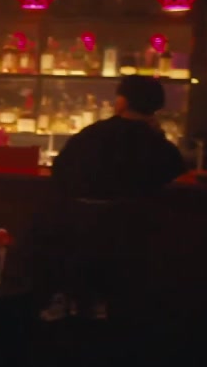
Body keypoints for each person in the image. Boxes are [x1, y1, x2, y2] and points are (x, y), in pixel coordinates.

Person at [35, 75, 186, 321]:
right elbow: (176, 170)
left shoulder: (93, 134)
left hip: (77, 229)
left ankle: (68, 301)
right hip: (133, 236)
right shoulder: (155, 143)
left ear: (123, 102)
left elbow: (61, 169)